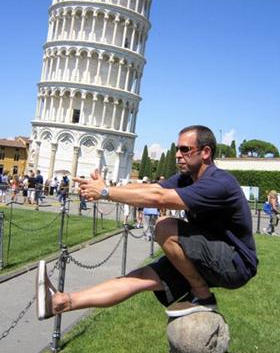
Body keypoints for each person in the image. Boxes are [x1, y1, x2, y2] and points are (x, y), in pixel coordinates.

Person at [36, 125, 258, 321]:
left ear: (206, 152)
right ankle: (60, 302)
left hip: (236, 262)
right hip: (206, 254)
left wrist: (105, 192)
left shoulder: (220, 183)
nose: (178, 155)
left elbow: (158, 199)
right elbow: (151, 188)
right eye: (176, 149)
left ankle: (202, 294)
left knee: (164, 226)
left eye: (185, 149)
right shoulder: (186, 178)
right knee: (140, 277)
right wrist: (109, 188)